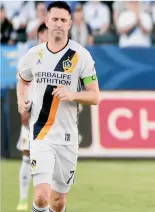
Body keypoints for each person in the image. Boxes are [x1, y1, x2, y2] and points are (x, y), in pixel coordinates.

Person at [16, 2, 100, 212]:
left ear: (70, 24)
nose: (59, 24)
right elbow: (23, 80)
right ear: (46, 21)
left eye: (63, 20)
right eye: (55, 19)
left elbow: (95, 96)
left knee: (58, 201)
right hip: (41, 133)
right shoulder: (33, 55)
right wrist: (21, 100)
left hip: (67, 137)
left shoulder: (81, 56)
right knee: (42, 196)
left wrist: (71, 94)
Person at [16, 22, 48, 212]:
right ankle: (22, 200)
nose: (45, 38)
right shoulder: (30, 59)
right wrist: (24, 116)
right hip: (31, 115)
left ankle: (45, 199)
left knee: (49, 161)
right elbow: (23, 85)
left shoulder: (58, 59)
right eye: (43, 35)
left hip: (49, 120)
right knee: (27, 157)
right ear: (38, 37)